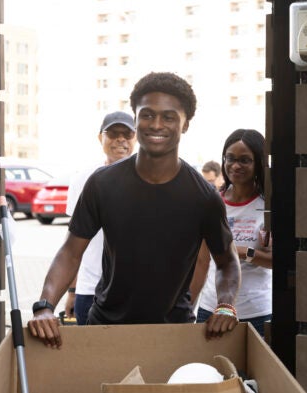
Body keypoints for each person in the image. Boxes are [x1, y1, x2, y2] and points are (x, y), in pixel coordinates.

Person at [28, 72, 241, 348]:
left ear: (185, 123)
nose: (156, 125)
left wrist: (225, 305)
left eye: (169, 116)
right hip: (105, 327)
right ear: (136, 117)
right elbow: (70, 252)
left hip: (172, 333)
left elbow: (227, 261)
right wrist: (44, 306)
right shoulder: (102, 184)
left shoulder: (203, 196)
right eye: (147, 115)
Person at [191, 129, 272, 336]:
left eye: (245, 160)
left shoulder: (268, 206)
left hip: (257, 313)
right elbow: (202, 261)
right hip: (211, 309)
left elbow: (276, 261)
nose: (235, 165)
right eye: (230, 158)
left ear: (258, 164)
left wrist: (245, 252)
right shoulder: (212, 202)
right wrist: (189, 307)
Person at [63, 111, 137, 325]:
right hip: (90, 290)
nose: (121, 139)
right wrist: (72, 290)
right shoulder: (82, 179)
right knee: (91, 357)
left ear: (136, 138)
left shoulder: (148, 179)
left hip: (133, 292)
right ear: (100, 138)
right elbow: (73, 244)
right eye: (113, 133)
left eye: (127, 134)